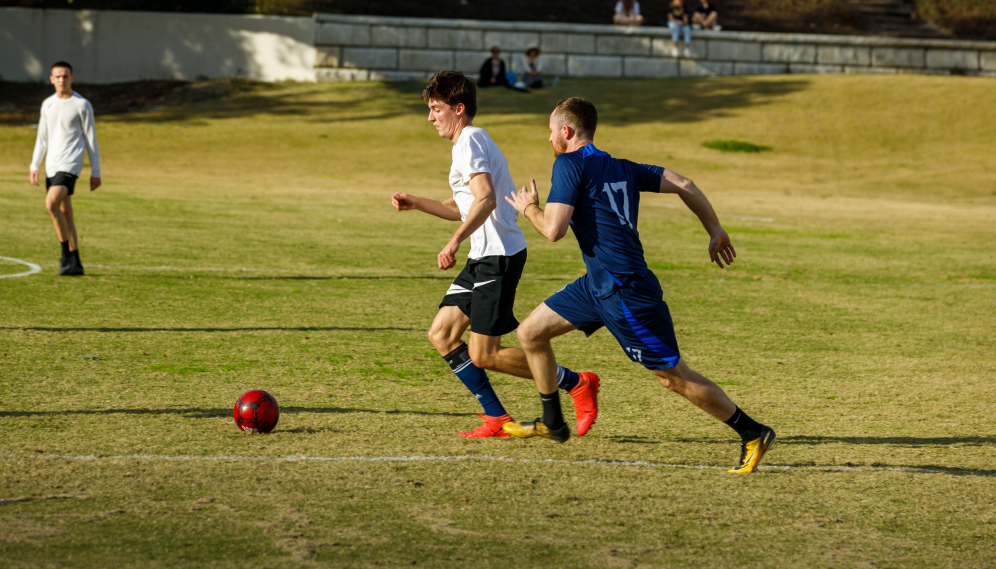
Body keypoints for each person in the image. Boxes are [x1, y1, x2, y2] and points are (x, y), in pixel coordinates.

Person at [502, 97, 776, 473]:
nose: (549, 138)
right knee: (531, 333)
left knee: (672, 377)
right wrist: (715, 230)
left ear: (566, 132)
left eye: (550, 131)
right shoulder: (623, 167)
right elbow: (684, 183)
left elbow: (553, 229)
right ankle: (553, 422)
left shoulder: (567, 164)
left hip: (625, 291)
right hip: (596, 285)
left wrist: (528, 207)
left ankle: (752, 431)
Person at [390, 73, 600, 438]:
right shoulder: (468, 143)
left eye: (436, 109)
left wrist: (454, 242)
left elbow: (485, 199)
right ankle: (495, 418)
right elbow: (464, 206)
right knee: (441, 334)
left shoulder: (469, 140)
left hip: (497, 257)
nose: (430, 117)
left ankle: (577, 382)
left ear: (458, 109)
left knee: (485, 354)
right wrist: (417, 203)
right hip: (484, 256)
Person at [29, 61, 101, 276]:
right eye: (57, 76)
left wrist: (95, 171)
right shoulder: (47, 104)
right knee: (65, 211)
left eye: (65, 76)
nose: (62, 80)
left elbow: (91, 140)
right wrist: (35, 164)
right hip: (52, 165)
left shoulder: (82, 105)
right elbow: (42, 138)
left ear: (72, 78)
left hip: (70, 164)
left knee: (51, 204)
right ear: (51, 79)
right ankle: (76, 262)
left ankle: (65, 256)